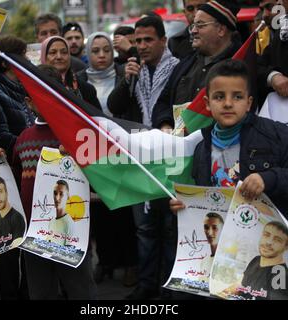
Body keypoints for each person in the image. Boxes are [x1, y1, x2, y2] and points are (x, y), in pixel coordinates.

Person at [170, 59, 288, 237]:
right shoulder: (200, 148)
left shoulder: (275, 134)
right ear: (207, 103)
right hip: (225, 252)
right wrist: (185, 206)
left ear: (249, 103)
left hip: (270, 248)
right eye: (219, 97)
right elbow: (205, 205)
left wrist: (268, 179)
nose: (228, 104)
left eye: (237, 96)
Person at [10, 64, 97, 299]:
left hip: (73, 232)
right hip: (34, 234)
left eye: (52, 95)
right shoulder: (24, 139)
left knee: (81, 289)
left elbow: (96, 175)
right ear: (29, 102)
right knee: (41, 291)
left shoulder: (78, 135)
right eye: (40, 97)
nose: (47, 102)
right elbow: (18, 178)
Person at [108, 16, 179, 300]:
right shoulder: (134, 72)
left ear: (163, 40)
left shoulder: (178, 69)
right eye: (137, 41)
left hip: (171, 159)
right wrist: (128, 80)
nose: (142, 46)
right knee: (145, 228)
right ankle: (147, 286)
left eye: (148, 40)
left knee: (169, 228)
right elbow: (115, 106)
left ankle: (169, 286)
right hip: (140, 159)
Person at [77, 32, 138, 286]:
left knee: (124, 209)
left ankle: (130, 263)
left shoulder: (125, 75)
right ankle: (106, 261)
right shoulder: (80, 81)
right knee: (100, 212)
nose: (101, 56)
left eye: (106, 50)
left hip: (123, 150)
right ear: (87, 54)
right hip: (94, 152)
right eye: (95, 51)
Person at [151, 0, 243, 130]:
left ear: (221, 29)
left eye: (200, 25)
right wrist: (165, 125)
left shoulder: (239, 67)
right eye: (193, 25)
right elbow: (162, 103)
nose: (193, 31)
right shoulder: (184, 65)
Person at [0, 35, 35, 160]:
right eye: (22, 55)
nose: (27, 59)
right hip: (13, 166)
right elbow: (0, 139)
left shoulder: (23, 89)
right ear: (5, 63)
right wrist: (35, 145)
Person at [236, 221, 288, 300]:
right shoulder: (256, 259)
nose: (269, 242)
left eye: (277, 240)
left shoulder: (283, 277)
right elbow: (241, 287)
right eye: (266, 235)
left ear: (286, 246)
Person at [40, 36, 101, 110]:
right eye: (53, 52)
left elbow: (98, 119)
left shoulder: (85, 89)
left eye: (64, 52)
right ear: (44, 57)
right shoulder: (37, 84)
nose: (59, 57)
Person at [0, 176, 25, 253]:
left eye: (0, 191)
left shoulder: (16, 217)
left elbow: (16, 244)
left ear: (6, 193)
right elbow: (1, 237)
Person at [48, 180, 74, 246]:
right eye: (55, 193)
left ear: (67, 196)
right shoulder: (51, 221)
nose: (57, 198)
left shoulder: (69, 223)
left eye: (61, 194)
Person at [199, 212, 224, 281]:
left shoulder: (227, 261)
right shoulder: (204, 261)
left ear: (223, 229)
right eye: (206, 227)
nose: (209, 233)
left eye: (214, 228)